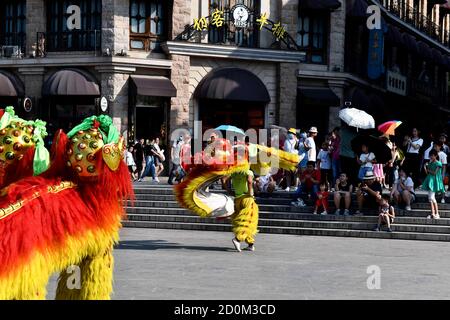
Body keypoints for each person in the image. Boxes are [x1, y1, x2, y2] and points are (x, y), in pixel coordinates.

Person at [223, 167, 258, 252]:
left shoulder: (233, 171)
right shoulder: (248, 171)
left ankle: (250, 244)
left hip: (237, 200)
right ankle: (237, 239)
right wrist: (250, 194)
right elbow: (249, 181)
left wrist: (229, 190)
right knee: (249, 221)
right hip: (247, 198)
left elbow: (224, 180)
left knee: (243, 221)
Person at [422, 149, 445, 219]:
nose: (431, 157)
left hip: (435, 181)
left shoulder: (438, 163)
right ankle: (433, 213)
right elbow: (427, 173)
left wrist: (427, 168)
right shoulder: (430, 163)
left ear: (436, 156)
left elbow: (434, 173)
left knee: (431, 197)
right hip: (430, 181)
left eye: (432, 155)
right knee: (430, 198)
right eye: (430, 156)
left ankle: (437, 213)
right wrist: (425, 168)